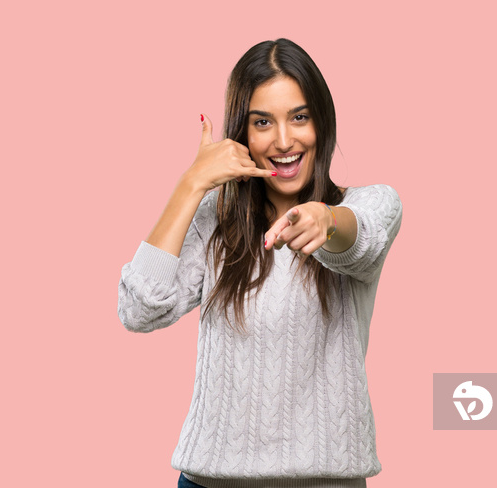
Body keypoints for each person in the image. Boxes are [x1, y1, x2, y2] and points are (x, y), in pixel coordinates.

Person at [118, 38, 402, 488]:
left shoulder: (370, 204)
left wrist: (326, 220)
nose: (284, 141)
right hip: (208, 481)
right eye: (263, 122)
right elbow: (138, 310)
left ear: (322, 123)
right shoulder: (216, 219)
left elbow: (359, 240)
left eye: (300, 117)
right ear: (242, 133)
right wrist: (191, 185)